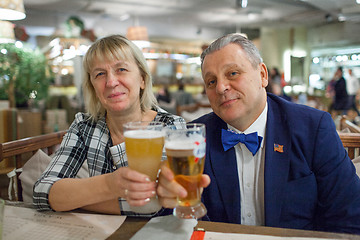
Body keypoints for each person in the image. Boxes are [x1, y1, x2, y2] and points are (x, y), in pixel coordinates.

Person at [157, 33, 360, 234]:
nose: (220, 87)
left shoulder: (313, 128)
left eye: (233, 73)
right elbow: (174, 218)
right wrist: (167, 197)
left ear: (262, 75)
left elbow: (349, 216)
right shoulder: (194, 137)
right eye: (211, 81)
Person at [33, 35, 185, 215]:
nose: (111, 82)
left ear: (142, 79)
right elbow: (42, 192)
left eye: (121, 69)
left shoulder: (171, 126)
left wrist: (77, 201)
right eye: (100, 74)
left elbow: (157, 206)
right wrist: (108, 185)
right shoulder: (84, 125)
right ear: (93, 87)